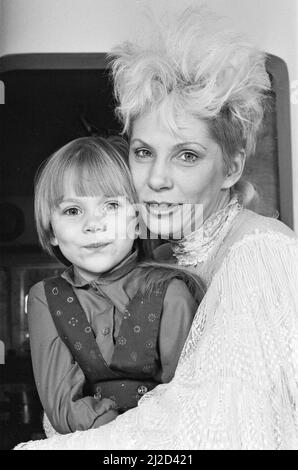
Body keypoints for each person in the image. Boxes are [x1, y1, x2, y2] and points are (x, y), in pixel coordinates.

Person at [15, 6, 298, 450]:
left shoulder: (259, 252)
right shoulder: (157, 256)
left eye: (187, 155)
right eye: (144, 152)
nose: (156, 178)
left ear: (232, 167)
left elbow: (215, 431)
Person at [23, 135, 203, 435]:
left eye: (110, 205)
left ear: (136, 220)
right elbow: (61, 407)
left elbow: (187, 397)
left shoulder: (171, 292)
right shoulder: (45, 298)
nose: (93, 224)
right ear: (51, 231)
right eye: (72, 210)